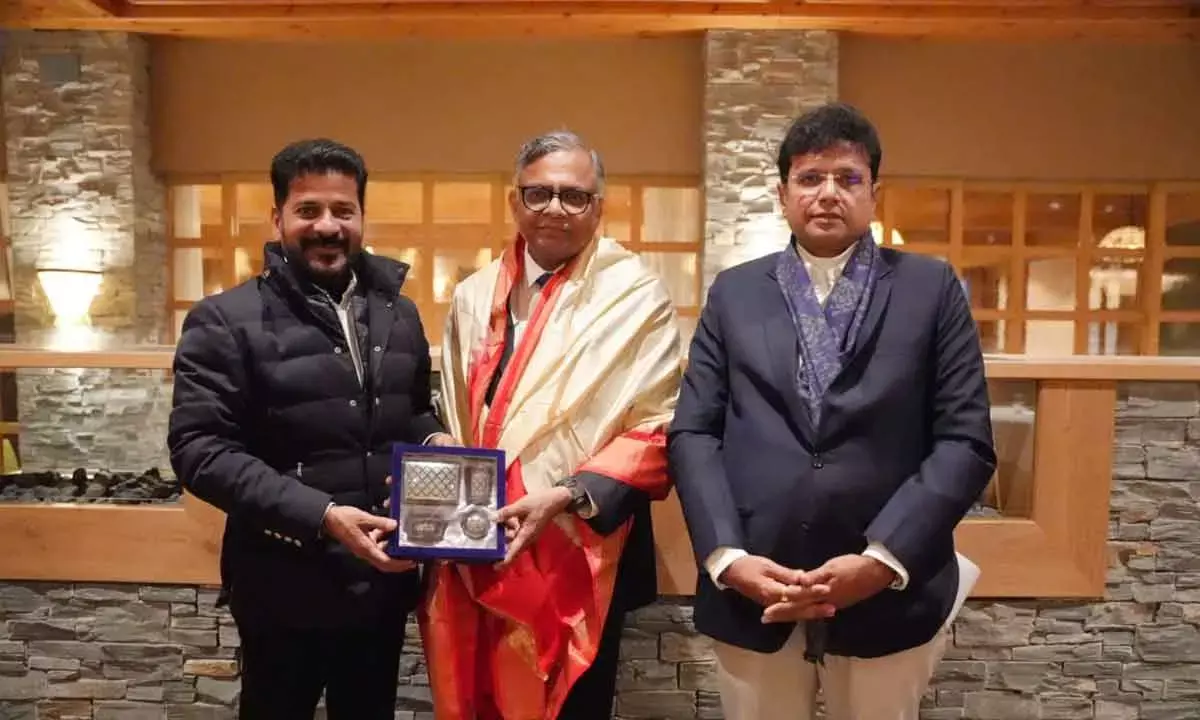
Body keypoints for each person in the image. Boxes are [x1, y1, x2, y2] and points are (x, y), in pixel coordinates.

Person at [667, 103, 995, 719]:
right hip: (754, 580)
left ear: (875, 192)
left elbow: (965, 440)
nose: (827, 194)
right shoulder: (736, 292)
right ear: (782, 192)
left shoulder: (931, 288)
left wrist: (881, 560)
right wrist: (727, 558)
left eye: (848, 178)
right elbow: (693, 431)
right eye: (810, 178)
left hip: (889, 583)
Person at [168, 138, 452, 719]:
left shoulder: (400, 314)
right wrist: (322, 516)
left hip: (381, 585)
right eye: (308, 210)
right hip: (280, 587)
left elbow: (410, 411)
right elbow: (199, 451)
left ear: (362, 217)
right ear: (278, 219)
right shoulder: (223, 319)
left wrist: (436, 441)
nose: (327, 225)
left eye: (342, 211)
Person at [421, 130, 684, 719]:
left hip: (579, 546)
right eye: (539, 195)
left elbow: (660, 426)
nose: (555, 210)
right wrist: (440, 446)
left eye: (574, 196)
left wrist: (564, 497)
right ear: (514, 202)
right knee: (478, 695)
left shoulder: (636, 296)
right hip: (477, 541)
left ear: (599, 207)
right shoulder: (472, 295)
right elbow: (455, 411)